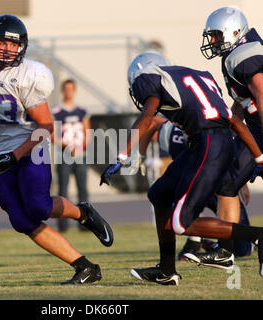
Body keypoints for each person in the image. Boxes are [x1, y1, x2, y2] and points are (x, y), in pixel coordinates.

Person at [0, 14, 113, 285]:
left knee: (38, 206)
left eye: (14, 45)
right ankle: (85, 267)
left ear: (22, 47)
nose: (8, 49)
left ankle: (83, 213)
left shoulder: (29, 75)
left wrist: (16, 155)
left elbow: (46, 126)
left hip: (30, 144)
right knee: (21, 221)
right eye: (2, 42)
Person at [100, 52, 263, 286]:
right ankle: (167, 271)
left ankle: (257, 235)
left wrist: (122, 155)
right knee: (159, 194)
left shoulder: (149, 77)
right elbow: (235, 122)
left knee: (181, 223)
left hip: (207, 144)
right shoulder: (199, 77)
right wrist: (258, 156)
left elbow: (147, 118)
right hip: (212, 142)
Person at [189, 6, 263, 265]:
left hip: (261, 131)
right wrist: (233, 126)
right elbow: (245, 100)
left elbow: (262, 93)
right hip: (255, 130)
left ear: (234, 31)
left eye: (216, 35)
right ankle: (225, 251)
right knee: (227, 184)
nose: (212, 41)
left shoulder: (244, 55)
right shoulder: (237, 54)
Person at [139, 116, 253, 260]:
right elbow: (153, 122)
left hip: (208, 176)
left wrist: (140, 153)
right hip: (205, 178)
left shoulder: (177, 124)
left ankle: (200, 241)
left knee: (242, 248)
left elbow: (152, 121)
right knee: (178, 212)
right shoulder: (175, 126)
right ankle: (195, 242)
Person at [51, 79, 91, 232]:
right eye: (66, 89)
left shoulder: (82, 111)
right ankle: (63, 225)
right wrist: (67, 145)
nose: (68, 92)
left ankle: (86, 223)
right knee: (63, 190)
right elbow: (53, 134)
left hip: (80, 154)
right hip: (64, 155)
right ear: (62, 91)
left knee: (83, 190)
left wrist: (80, 146)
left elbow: (88, 132)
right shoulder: (57, 111)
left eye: (71, 89)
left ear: (74, 91)